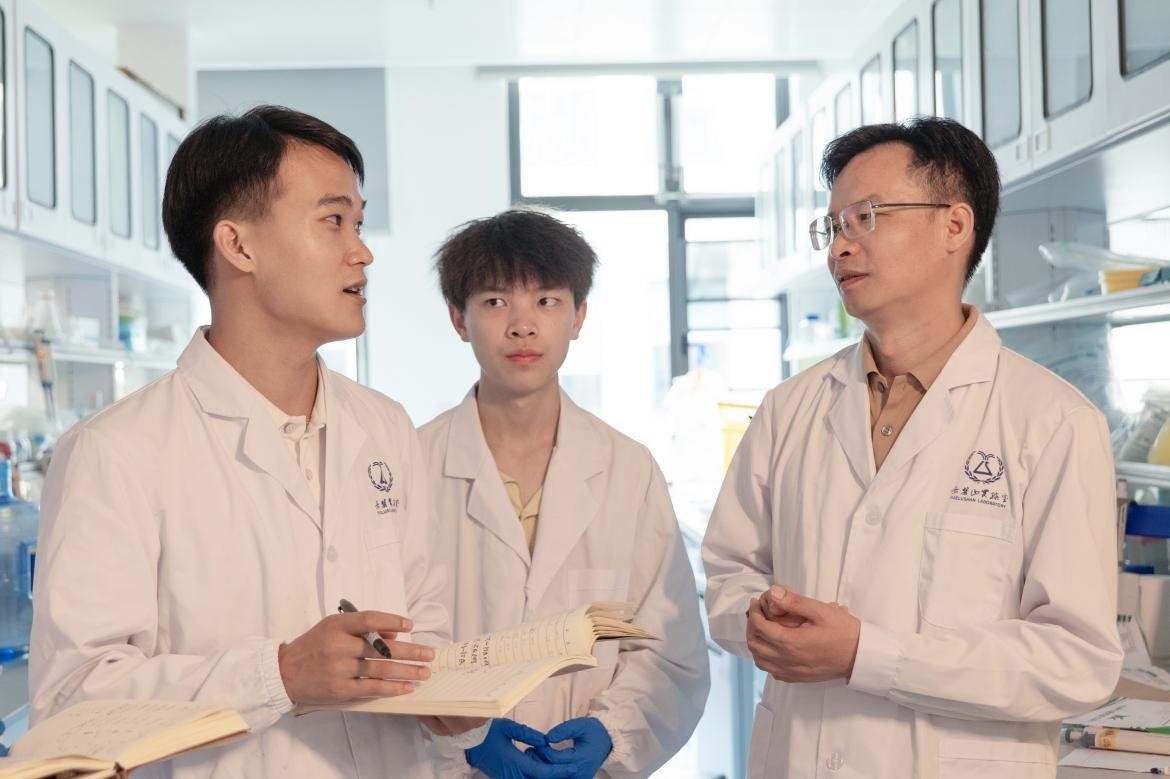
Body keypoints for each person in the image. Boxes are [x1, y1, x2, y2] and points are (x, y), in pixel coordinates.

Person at [29, 106, 458, 777]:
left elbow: (423, 614)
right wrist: (277, 675)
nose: (362, 251)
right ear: (238, 245)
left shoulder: (384, 426)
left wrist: (448, 698)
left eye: (359, 223)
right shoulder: (116, 451)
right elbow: (71, 704)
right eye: (333, 220)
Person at [701, 117, 1123, 778]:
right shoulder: (790, 409)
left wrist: (866, 654)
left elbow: (1076, 660)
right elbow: (729, 572)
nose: (840, 247)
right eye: (833, 225)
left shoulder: (1053, 421)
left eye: (866, 217)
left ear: (954, 225)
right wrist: (756, 619)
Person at [419, 209, 710, 777]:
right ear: (458, 318)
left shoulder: (628, 469)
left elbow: (668, 650)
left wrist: (613, 732)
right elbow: (389, 648)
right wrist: (461, 737)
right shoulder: (412, 465)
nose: (522, 326)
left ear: (578, 316)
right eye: (495, 301)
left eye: (547, 301)